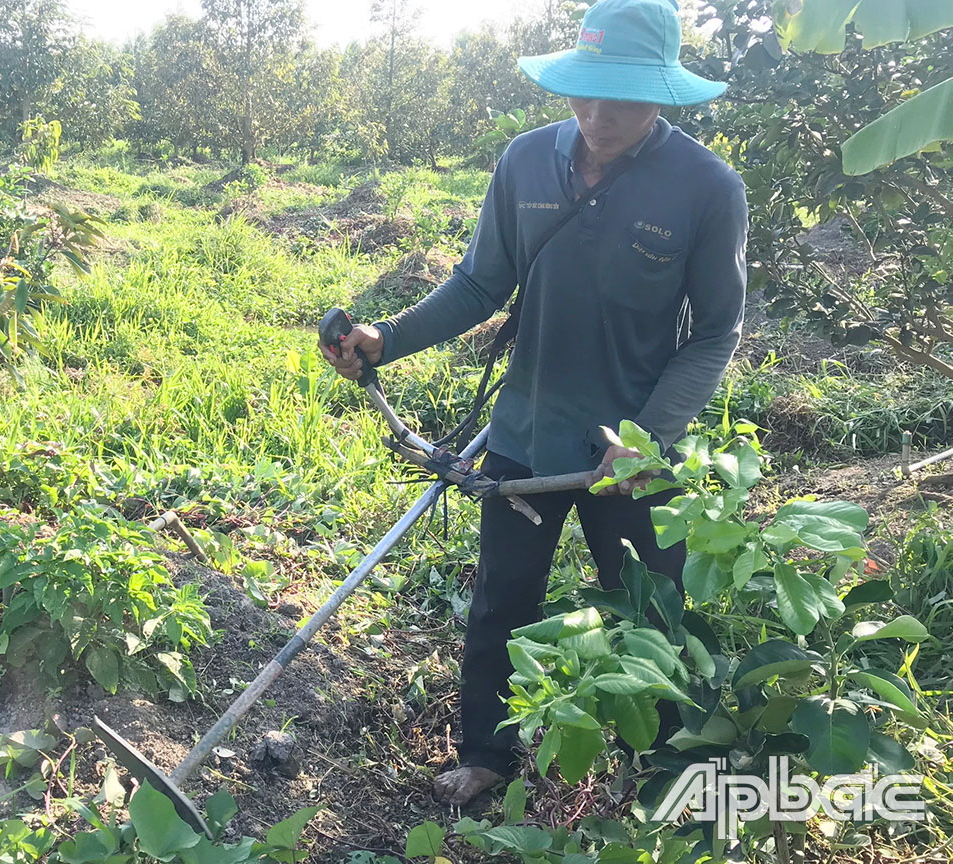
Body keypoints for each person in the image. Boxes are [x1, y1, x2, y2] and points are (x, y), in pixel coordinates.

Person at [319, 0, 748, 804]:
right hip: (524, 434)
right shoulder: (524, 163)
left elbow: (716, 332)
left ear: (662, 92)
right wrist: (386, 339)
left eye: (619, 96)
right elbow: (480, 282)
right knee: (501, 603)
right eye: (583, 92)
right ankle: (485, 755)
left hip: (633, 453)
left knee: (652, 610)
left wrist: (648, 438)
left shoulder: (706, 188)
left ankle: (658, 778)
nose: (595, 115)